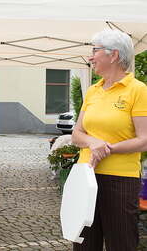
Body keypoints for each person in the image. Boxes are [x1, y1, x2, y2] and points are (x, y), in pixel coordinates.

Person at [72, 29, 147, 251]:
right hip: (85, 176)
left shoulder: (138, 90)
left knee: (121, 244)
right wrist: (93, 142)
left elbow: (144, 140)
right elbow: (77, 134)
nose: (90, 57)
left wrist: (107, 148)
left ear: (113, 55)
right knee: (84, 244)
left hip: (120, 180)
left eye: (94, 50)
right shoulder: (93, 91)